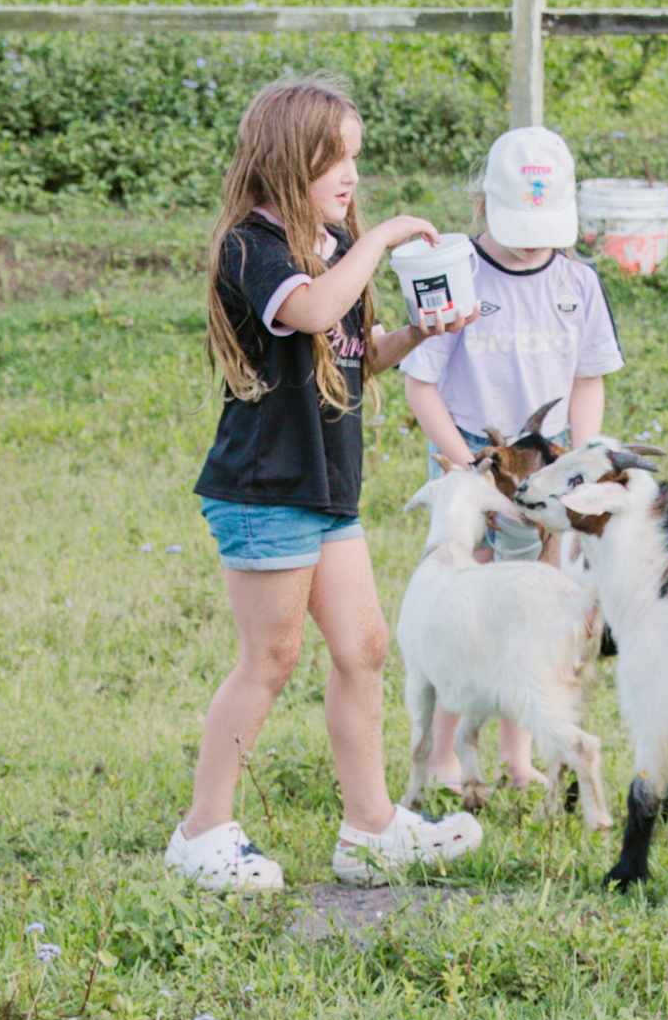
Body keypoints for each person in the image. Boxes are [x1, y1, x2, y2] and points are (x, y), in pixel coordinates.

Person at [167, 72, 486, 896]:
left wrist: (417, 330)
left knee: (364, 648)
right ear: (284, 163)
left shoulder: (337, 248)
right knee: (270, 658)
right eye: (333, 160)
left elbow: (353, 349)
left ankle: (371, 830)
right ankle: (203, 831)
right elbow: (309, 314)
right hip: (264, 488)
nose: (350, 176)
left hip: (324, 489)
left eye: (354, 158)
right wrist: (378, 242)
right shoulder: (253, 245)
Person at [395, 123, 624, 803]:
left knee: (537, 613)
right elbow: (420, 381)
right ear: (485, 205)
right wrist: (467, 465)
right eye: (518, 222)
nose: (531, 238)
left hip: (548, 473)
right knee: (466, 612)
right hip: (475, 467)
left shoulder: (577, 282)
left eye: (545, 224)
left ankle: (517, 756)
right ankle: (442, 755)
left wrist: (581, 465)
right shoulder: (457, 275)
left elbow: (589, 376)